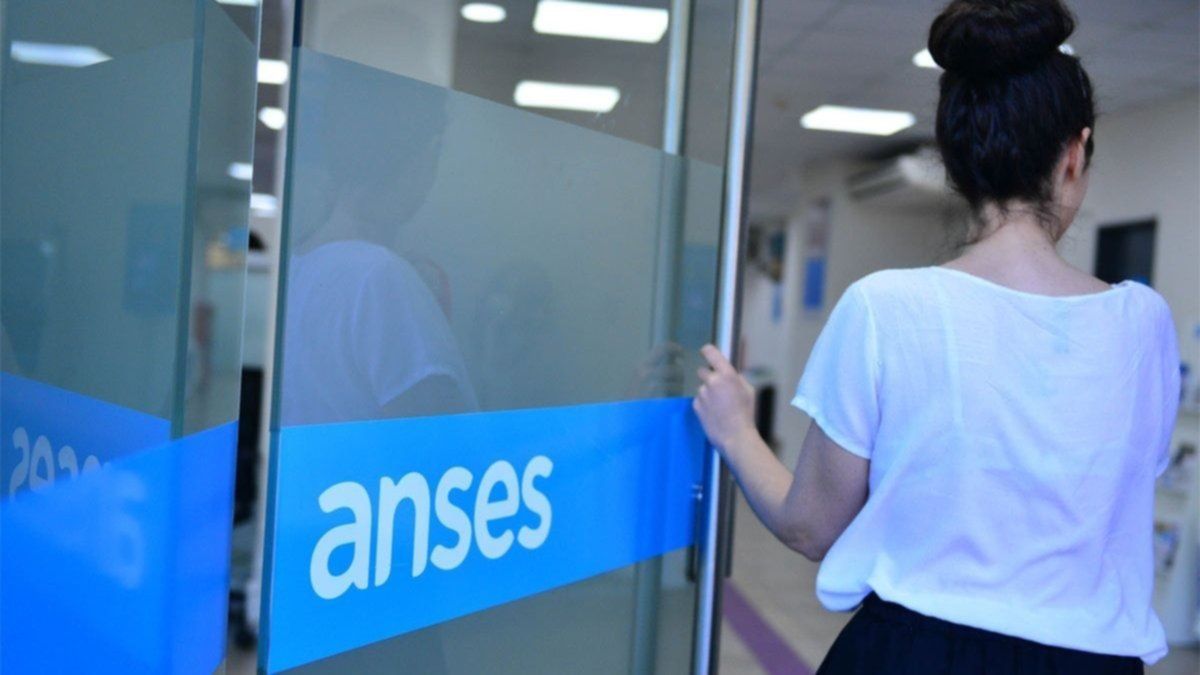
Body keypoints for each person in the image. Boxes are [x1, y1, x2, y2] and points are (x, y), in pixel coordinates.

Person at [693, 0, 1180, 672]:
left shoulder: (885, 307)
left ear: (954, 161)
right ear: (1074, 155)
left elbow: (811, 527)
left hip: (909, 653)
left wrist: (734, 431)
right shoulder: (1142, 323)